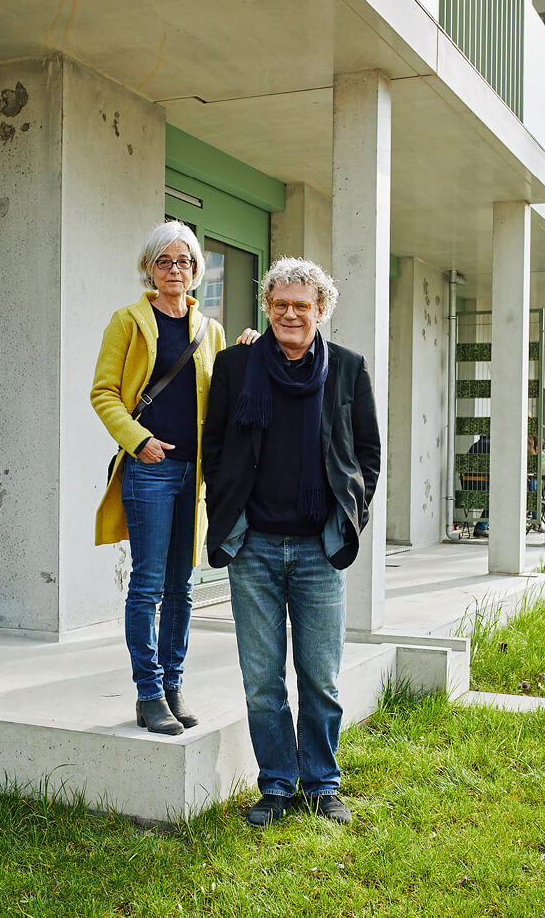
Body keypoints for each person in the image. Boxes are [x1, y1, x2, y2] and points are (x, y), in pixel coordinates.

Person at [202, 257, 381, 827]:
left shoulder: (348, 370)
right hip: (252, 546)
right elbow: (215, 446)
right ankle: (277, 785)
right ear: (267, 307)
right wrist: (226, 501)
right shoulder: (235, 367)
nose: (290, 314)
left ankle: (323, 783)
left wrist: (351, 513)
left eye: (302, 305)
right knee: (261, 680)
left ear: (321, 310)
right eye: (280, 303)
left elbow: (369, 454)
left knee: (320, 676)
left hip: (318, 551)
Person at [91, 221, 257, 736]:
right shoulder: (128, 321)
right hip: (151, 470)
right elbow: (104, 393)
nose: (175, 270)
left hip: (195, 475)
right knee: (147, 586)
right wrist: (138, 440)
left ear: (196, 272)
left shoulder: (210, 331)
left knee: (181, 586)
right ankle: (147, 692)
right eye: (165, 261)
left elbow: (229, 392)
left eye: (184, 262)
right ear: (150, 267)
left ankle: (173, 684)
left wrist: (253, 345)